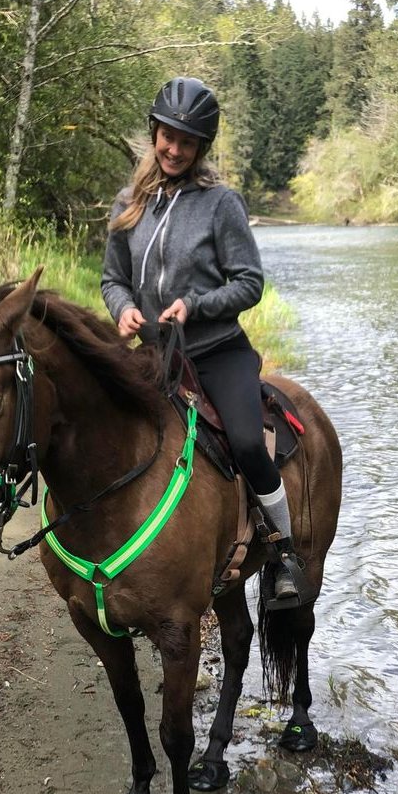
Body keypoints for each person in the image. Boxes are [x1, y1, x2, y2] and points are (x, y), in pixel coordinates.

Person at [101, 75, 300, 602]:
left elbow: (250, 283)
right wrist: (122, 310)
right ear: (154, 132)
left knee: (245, 441)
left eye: (187, 142)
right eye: (168, 136)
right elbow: (113, 279)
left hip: (217, 352)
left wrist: (196, 306)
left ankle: (283, 552)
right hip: (153, 355)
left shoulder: (221, 203)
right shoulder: (130, 202)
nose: (174, 148)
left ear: (201, 148)